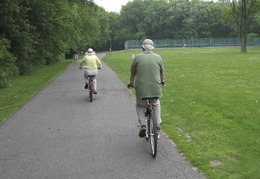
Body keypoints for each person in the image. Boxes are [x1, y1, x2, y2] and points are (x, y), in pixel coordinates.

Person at [128, 39, 165, 138]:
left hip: (141, 89)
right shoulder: (158, 57)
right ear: (152, 48)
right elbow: (161, 73)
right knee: (156, 103)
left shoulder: (137, 57)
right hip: (155, 88)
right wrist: (162, 82)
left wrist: (131, 83)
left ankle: (143, 125)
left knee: (140, 105)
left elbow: (133, 73)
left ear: (142, 48)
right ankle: (157, 124)